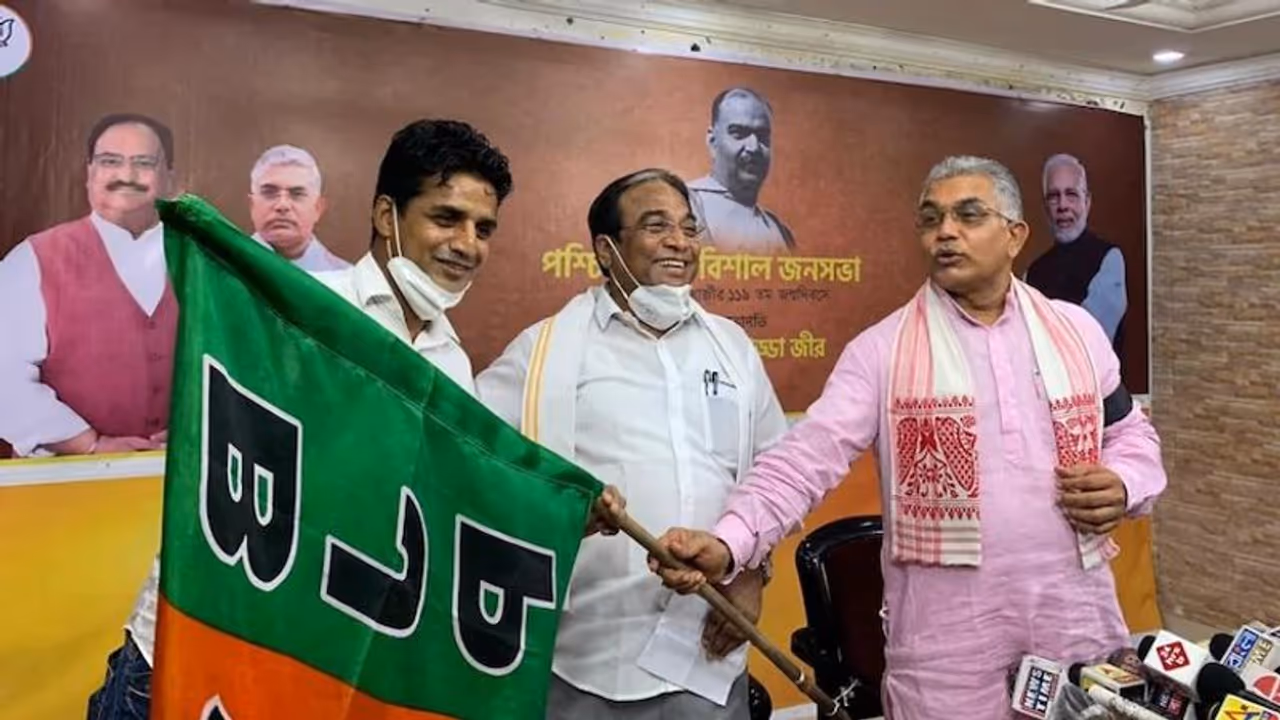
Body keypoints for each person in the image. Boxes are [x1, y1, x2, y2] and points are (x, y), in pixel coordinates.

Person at [651, 156, 1166, 719]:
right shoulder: (883, 351)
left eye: (968, 215)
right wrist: (730, 542)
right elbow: (803, 460)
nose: (945, 231)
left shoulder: (1077, 333)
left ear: (1015, 235)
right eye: (931, 218)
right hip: (949, 653)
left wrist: (1124, 482)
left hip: (1076, 627)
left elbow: (1130, 435)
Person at [85, 119, 516, 720]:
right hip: (196, 643)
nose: (467, 244)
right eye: (446, 218)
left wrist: (567, 514)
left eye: (483, 228)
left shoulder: (451, 362)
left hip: (308, 664)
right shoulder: (295, 313)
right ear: (386, 215)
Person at [477, 168, 787, 718]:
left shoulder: (733, 348)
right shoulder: (542, 352)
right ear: (606, 249)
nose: (679, 242)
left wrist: (752, 574)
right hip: (585, 660)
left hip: (705, 656)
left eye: (688, 228)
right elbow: (474, 463)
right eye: (656, 226)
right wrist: (559, 512)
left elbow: (775, 473)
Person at [0, 113, 177, 457]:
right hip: (68, 478)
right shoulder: (32, 259)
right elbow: (4, 378)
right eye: (110, 161)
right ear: (89, 173)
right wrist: (89, 444)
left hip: (187, 474)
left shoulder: (205, 261)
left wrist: (204, 429)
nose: (126, 175)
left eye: (144, 163)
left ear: (169, 177)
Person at [1025, 153, 1127, 353]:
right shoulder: (1033, 272)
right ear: (1045, 207)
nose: (1062, 206)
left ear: (1087, 202)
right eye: (1053, 197)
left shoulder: (1109, 259)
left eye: (1071, 194)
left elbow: (1089, 341)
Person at [689, 87, 794, 254]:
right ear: (712, 141)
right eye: (738, 133)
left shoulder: (780, 233)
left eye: (762, 136)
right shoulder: (683, 206)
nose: (754, 147)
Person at [247, 144, 349, 271]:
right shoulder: (225, 272)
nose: (282, 205)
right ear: (252, 205)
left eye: (297, 194)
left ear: (318, 208)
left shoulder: (347, 278)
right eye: (270, 193)